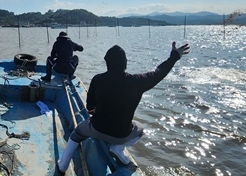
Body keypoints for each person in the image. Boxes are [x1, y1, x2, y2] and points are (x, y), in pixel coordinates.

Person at [57, 42, 190, 173]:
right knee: (140, 129)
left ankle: (63, 165)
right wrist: (174, 56)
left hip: (97, 128)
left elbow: (90, 107)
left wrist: (95, 111)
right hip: (122, 135)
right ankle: (118, 148)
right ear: (125, 63)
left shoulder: (97, 79)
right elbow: (159, 72)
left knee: (76, 134)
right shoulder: (137, 81)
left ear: (107, 62)